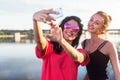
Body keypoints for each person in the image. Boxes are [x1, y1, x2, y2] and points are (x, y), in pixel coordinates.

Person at [32, 8, 90, 80]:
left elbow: (78, 57)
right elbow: (39, 41)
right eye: (67, 26)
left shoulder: (80, 51)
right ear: (62, 28)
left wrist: (61, 41)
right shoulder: (50, 48)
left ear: (78, 34)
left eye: (75, 28)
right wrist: (35, 21)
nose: (71, 29)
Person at [82, 11, 120, 80]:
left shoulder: (108, 45)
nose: (91, 23)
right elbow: (91, 69)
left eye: (97, 23)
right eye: (91, 19)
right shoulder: (84, 43)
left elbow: (117, 73)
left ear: (102, 28)